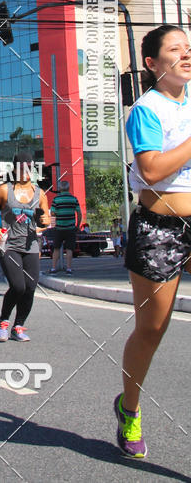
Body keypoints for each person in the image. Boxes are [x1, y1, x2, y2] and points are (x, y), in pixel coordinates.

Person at [115, 25, 191, 459]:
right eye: (175, 49)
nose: (186, 54)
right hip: (159, 230)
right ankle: (130, 408)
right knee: (152, 329)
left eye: (189, 48)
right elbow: (154, 170)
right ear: (152, 63)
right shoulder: (147, 109)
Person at [0, 151, 50, 341]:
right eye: (22, 167)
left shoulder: (40, 193)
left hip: (31, 246)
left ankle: (18, 325)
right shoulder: (5, 190)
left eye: (29, 167)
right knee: (18, 286)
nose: (25, 171)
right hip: (8, 245)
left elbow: (44, 220)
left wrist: (45, 220)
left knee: (30, 287)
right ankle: (3, 321)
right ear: (15, 169)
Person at [48, 180, 82, 275]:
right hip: (70, 227)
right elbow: (79, 213)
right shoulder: (73, 199)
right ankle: (69, 269)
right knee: (69, 249)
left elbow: (52, 213)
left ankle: (54, 268)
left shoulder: (56, 200)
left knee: (56, 248)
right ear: (68, 188)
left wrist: (53, 225)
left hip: (59, 227)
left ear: (60, 189)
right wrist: (77, 225)